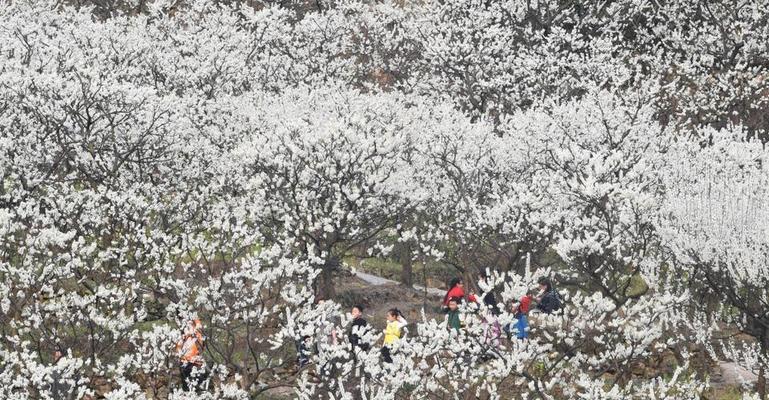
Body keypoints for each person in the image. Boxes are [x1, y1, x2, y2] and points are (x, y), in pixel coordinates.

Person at [176, 318, 206, 392]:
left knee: (199, 384)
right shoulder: (182, 337)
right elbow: (178, 348)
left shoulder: (198, 335)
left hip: (196, 362)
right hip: (185, 362)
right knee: (187, 384)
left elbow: (201, 346)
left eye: (190, 325)